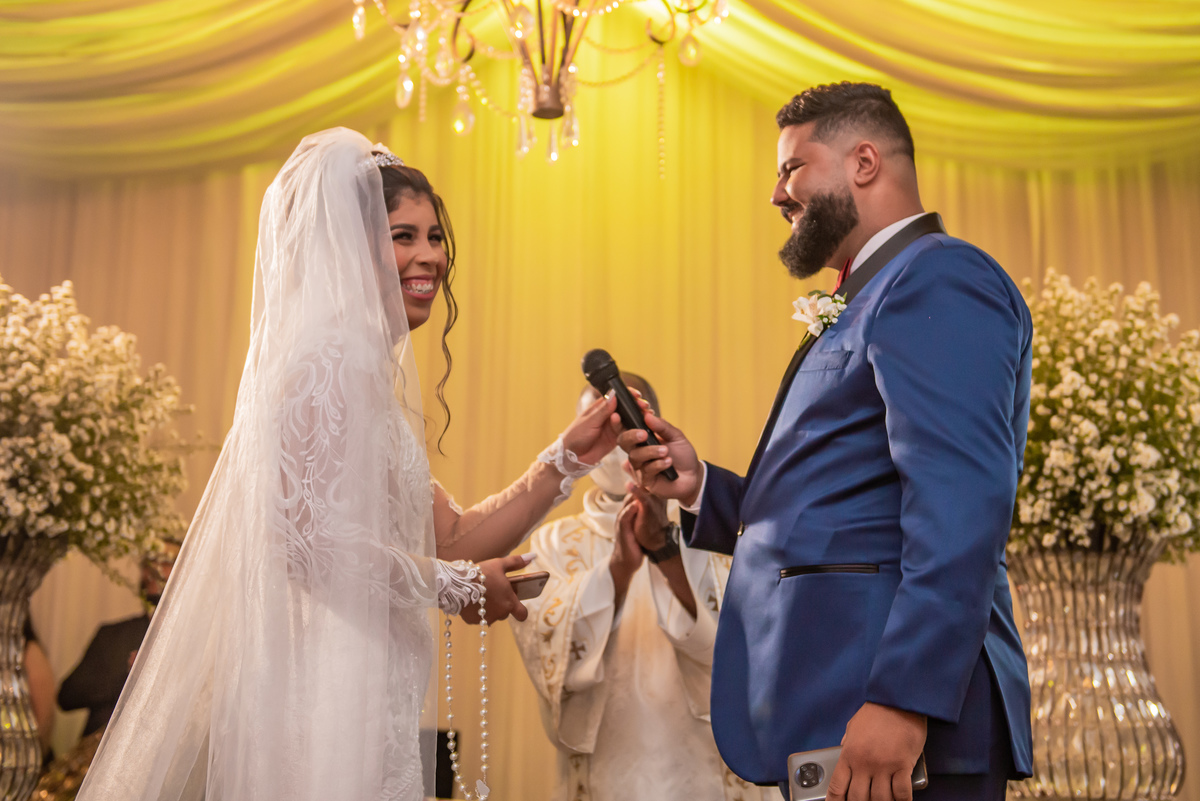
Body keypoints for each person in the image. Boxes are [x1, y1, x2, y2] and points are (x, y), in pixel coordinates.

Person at [78, 128, 620, 801]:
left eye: (434, 236)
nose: (430, 256)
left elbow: (450, 537)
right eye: (403, 236)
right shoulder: (327, 364)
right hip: (321, 696)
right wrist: (456, 587)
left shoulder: (362, 376)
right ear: (346, 247)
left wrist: (564, 460)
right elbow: (308, 546)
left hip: (370, 693)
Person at [618, 82, 1033, 801]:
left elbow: (961, 506)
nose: (777, 194)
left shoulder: (937, 277)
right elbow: (847, 507)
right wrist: (702, 487)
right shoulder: (872, 291)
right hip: (838, 704)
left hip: (898, 718)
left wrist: (903, 698)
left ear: (864, 162)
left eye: (792, 168)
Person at [511, 376, 774, 801]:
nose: (615, 444)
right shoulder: (551, 544)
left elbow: (741, 652)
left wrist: (665, 551)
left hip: (705, 768)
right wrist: (618, 569)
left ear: (654, 428)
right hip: (608, 769)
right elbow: (550, 661)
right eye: (599, 425)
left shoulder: (711, 526)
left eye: (626, 423)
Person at [58, 542, 181, 737]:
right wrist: (127, 676)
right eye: (155, 562)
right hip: (102, 746)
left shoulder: (198, 644)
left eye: (171, 562)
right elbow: (67, 697)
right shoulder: (112, 635)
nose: (160, 571)